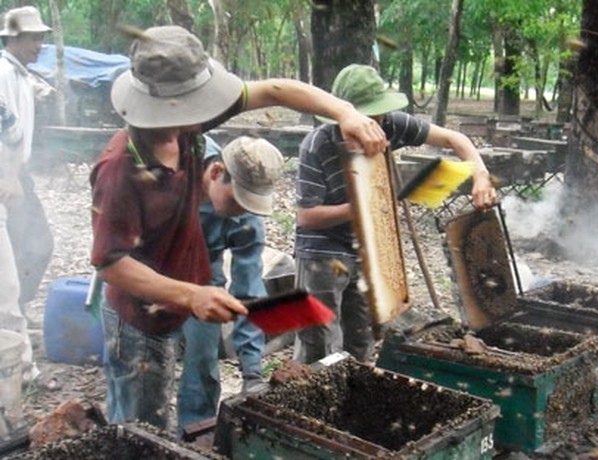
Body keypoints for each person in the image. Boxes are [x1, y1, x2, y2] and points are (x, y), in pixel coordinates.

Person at [90, 25, 388, 430]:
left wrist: (346, 113)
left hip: (177, 302)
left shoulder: (187, 124)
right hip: (137, 321)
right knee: (139, 429)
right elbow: (110, 264)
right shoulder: (120, 169)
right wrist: (191, 293)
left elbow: (276, 91)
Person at [294, 64, 498, 364]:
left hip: (368, 252)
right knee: (319, 345)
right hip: (321, 254)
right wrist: (362, 207)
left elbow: (457, 141)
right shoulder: (317, 145)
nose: (376, 125)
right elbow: (306, 217)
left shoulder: (391, 125)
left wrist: (481, 175)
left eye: (378, 116)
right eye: (368, 118)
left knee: (362, 339)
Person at [177, 135, 281, 432]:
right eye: (236, 200)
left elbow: (248, 295)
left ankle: (194, 435)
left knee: (202, 360)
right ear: (216, 173)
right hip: (151, 264)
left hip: (203, 272)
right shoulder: (178, 165)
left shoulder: (247, 221)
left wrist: (252, 374)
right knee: (145, 365)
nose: (241, 209)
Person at [0, 6, 54, 380]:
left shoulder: (17, 72)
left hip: (17, 172)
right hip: (6, 174)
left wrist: (39, 87)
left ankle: (15, 313)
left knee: (36, 246)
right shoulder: (2, 72)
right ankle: (17, 362)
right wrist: (9, 175)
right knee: (9, 268)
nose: (40, 44)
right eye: (34, 38)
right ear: (14, 39)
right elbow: (5, 128)